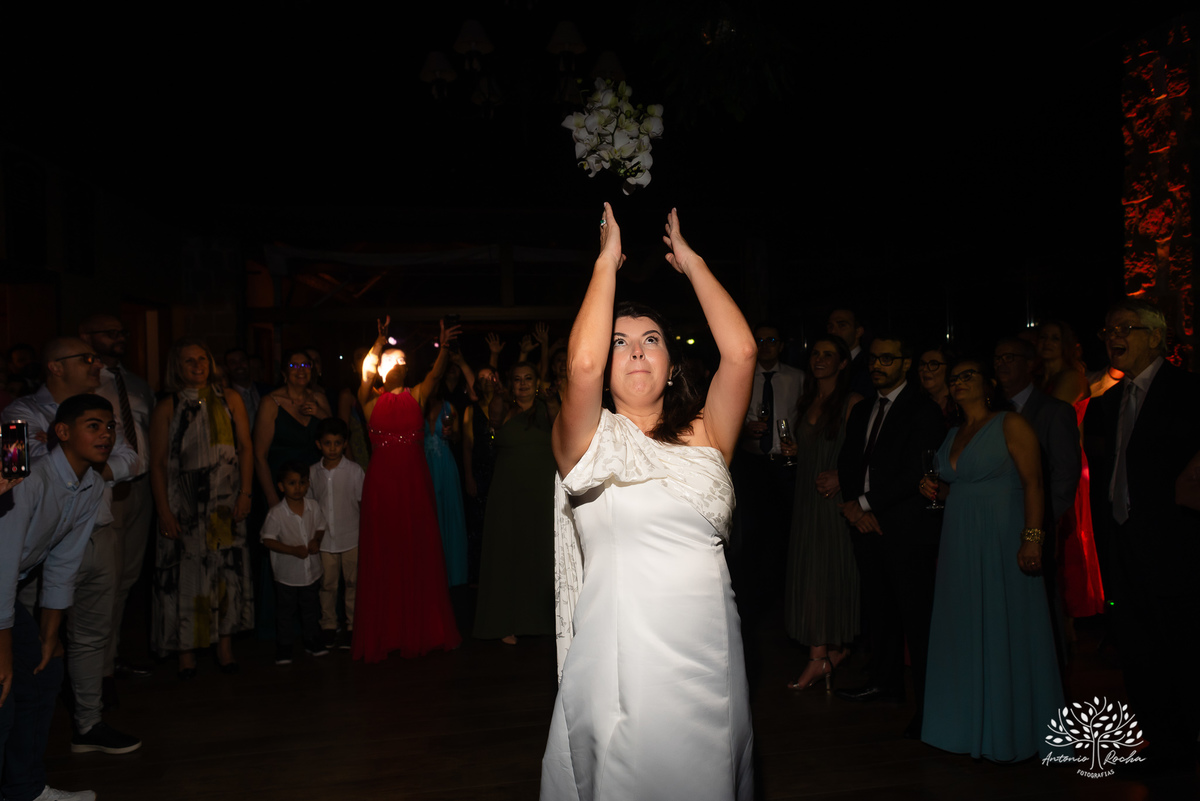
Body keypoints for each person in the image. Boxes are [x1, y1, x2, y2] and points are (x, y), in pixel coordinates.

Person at [541, 205, 757, 800]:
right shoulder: (583, 441)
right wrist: (606, 262)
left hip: (710, 647)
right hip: (622, 653)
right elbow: (581, 363)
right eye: (621, 342)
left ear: (670, 362)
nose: (636, 351)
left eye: (651, 340)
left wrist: (693, 263)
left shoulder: (708, 434)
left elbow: (741, 353)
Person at [919, 358, 1063, 762]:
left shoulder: (1009, 424)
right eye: (954, 378)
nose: (959, 382)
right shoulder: (952, 433)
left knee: (1006, 626)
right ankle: (965, 728)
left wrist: (1032, 539)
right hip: (959, 543)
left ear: (989, 385)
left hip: (1002, 538)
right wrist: (934, 490)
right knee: (963, 627)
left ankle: (1012, 731)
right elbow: (958, 491)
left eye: (969, 375)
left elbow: (1035, 483)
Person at [3, 337, 141, 754]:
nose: (97, 364)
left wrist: (77, 461)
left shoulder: (98, 424)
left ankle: (86, 725)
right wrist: (63, 459)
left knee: (76, 643)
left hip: (81, 533)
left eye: (108, 428)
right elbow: (12, 472)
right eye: (87, 358)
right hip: (19, 551)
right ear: (56, 366)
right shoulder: (17, 412)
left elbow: (133, 459)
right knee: (20, 668)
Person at [1084, 300, 1200, 775]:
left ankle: (1188, 742)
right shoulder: (1106, 403)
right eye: (1108, 330)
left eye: (1125, 328)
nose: (1114, 336)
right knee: (1137, 647)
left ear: (1155, 337)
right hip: (1122, 541)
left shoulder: (1187, 391)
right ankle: (1161, 742)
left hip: (1176, 543)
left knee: (1181, 645)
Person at [0, 394, 117, 801]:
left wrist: (49, 634)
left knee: (44, 672)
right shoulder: (29, 478)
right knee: (3, 692)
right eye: (93, 426)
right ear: (62, 432)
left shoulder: (92, 485)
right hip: (0, 587)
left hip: (6, 592)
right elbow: (3, 567)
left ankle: (26, 790)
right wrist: (4, 652)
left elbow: (64, 562)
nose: (106, 434)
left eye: (110, 426)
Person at [834, 334, 945, 741]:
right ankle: (884, 684)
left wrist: (864, 504)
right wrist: (855, 507)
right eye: (873, 359)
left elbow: (916, 472)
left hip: (906, 529)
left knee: (916, 620)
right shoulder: (864, 408)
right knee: (878, 610)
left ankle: (929, 709)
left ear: (905, 363)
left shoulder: (923, 409)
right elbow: (848, 462)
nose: (876, 365)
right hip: (866, 525)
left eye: (886, 359)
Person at [353, 318, 461, 662]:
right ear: (382, 368)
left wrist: (444, 347)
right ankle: (386, 632)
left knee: (417, 550)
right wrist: (379, 342)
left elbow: (436, 374)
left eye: (402, 359)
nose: (398, 363)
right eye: (392, 359)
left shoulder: (417, 395)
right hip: (382, 487)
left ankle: (422, 629)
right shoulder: (369, 401)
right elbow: (366, 372)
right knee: (384, 553)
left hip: (414, 485)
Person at [149, 338, 255, 677]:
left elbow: (246, 447)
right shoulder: (167, 406)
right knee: (187, 576)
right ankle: (186, 652)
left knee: (224, 573)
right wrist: (164, 511)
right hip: (184, 506)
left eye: (202, 359)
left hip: (224, 505)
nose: (198, 365)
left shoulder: (230, 398)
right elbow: (158, 464)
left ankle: (225, 647)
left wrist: (246, 493)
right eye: (189, 361)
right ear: (177, 368)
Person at [79, 315, 157, 696]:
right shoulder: (87, 386)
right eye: (110, 333)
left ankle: (111, 658)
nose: (119, 338)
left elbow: (142, 435)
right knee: (104, 581)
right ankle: (96, 672)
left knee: (126, 579)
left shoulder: (138, 384)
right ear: (87, 337)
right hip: (106, 488)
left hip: (140, 487)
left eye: (122, 332)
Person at [782, 336, 863, 691]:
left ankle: (820, 657)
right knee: (810, 571)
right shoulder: (808, 399)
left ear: (843, 363)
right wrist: (797, 450)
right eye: (815, 353)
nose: (819, 359)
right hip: (806, 497)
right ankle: (831, 651)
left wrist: (843, 476)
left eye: (829, 355)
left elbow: (869, 453)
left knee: (826, 573)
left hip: (834, 500)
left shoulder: (853, 402)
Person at [472, 362, 558, 644]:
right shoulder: (504, 407)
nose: (522, 384)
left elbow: (560, 424)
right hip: (507, 491)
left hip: (541, 489)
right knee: (508, 550)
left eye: (528, 378)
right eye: (518, 379)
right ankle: (506, 621)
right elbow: (494, 420)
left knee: (540, 549)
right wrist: (499, 394)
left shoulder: (547, 408)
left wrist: (551, 400)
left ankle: (544, 620)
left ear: (537, 382)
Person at [252, 350, 329, 637]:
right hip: (282, 486)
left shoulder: (319, 399)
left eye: (305, 364)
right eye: (294, 365)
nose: (300, 369)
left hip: (313, 487)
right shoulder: (270, 402)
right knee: (285, 549)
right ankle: (283, 627)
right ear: (284, 372)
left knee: (314, 546)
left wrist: (319, 414)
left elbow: (335, 435)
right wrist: (274, 500)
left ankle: (316, 622)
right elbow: (259, 455)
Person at [730, 323, 803, 620]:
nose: (765, 345)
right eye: (759, 340)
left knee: (784, 530)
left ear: (781, 345)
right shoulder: (742, 375)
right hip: (751, 462)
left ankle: (783, 598)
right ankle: (755, 601)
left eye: (771, 340)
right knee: (752, 532)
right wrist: (744, 430)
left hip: (785, 463)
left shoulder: (798, 378)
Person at [261, 460, 328, 665]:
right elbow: (267, 539)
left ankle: (312, 641)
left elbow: (321, 526)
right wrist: (292, 550)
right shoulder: (276, 513)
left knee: (310, 609)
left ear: (308, 484)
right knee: (285, 613)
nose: (298, 487)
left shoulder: (313, 506)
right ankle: (284, 647)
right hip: (287, 576)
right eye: (292, 483)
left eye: (302, 482)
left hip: (311, 572)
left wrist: (316, 540)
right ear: (281, 486)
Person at [308, 417, 364, 650]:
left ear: (345, 443)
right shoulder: (313, 472)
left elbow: (362, 503)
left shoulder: (354, 470)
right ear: (318, 444)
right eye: (327, 443)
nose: (332, 448)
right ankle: (329, 625)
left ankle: (352, 625)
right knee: (328, 585)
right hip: (325, 541)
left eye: (337, 443)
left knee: (353, 583)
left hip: (351, 537)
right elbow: (310, 506)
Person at [424, 353, 472, 587]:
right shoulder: (417, 408)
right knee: (428, 517)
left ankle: (452, 573)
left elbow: (458, 438)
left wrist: (451, 433)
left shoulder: (448, 407)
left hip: (445, 465)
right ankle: (429, 572)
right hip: (424, 466)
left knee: (450, 517)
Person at [916, 345, 955, 427]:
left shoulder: (959, 405)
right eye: (922, 364)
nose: (925, 369)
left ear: (948, 368)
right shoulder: (915, 405)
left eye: (933, 364)